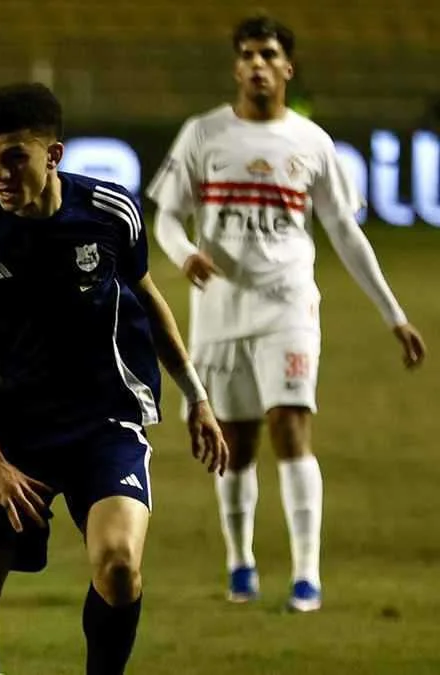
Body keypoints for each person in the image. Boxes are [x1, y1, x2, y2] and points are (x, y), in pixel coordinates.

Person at [0, 82, 228, 675]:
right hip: (12, 429)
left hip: (103, 424)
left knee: (119, 564)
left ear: (53, 155)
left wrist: (197, 398)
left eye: (14, 157)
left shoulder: (111, 212)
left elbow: (147, 298)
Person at [146, 15, 427, 613]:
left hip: (289, 304)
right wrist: (185, 252)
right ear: (236, 67)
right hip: (220, 312)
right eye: (248, 54)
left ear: (287, 68)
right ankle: (240, 563)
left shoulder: (312, 142)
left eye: (269, 55)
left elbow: (345, 232)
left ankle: (306, 575)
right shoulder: (203, 134)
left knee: (291, 426)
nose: (258, 64)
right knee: (236, 443)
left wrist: (394, 314)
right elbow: (166, 216)